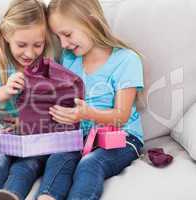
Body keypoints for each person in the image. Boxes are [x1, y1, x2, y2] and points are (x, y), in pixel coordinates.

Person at [0, 1, 79, 200]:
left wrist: (29, 122)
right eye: (21, 45)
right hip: (0, 134)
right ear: (6, 35)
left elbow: (57, 104)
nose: (29, 53)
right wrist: (4, 91)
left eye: (38, 44)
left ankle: (10, 195)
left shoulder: (49, 64)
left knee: (28, 166)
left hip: (34, 136)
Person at [45, 0, 144, 199]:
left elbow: (121, 116)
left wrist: (87, 113)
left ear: (90, 21)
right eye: (58, 37)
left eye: (67, 34)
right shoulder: (70, 59)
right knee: (58, 159)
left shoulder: (126, 60)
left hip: (123, 137)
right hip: (81, 137)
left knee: (90, 164)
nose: (63, 44)